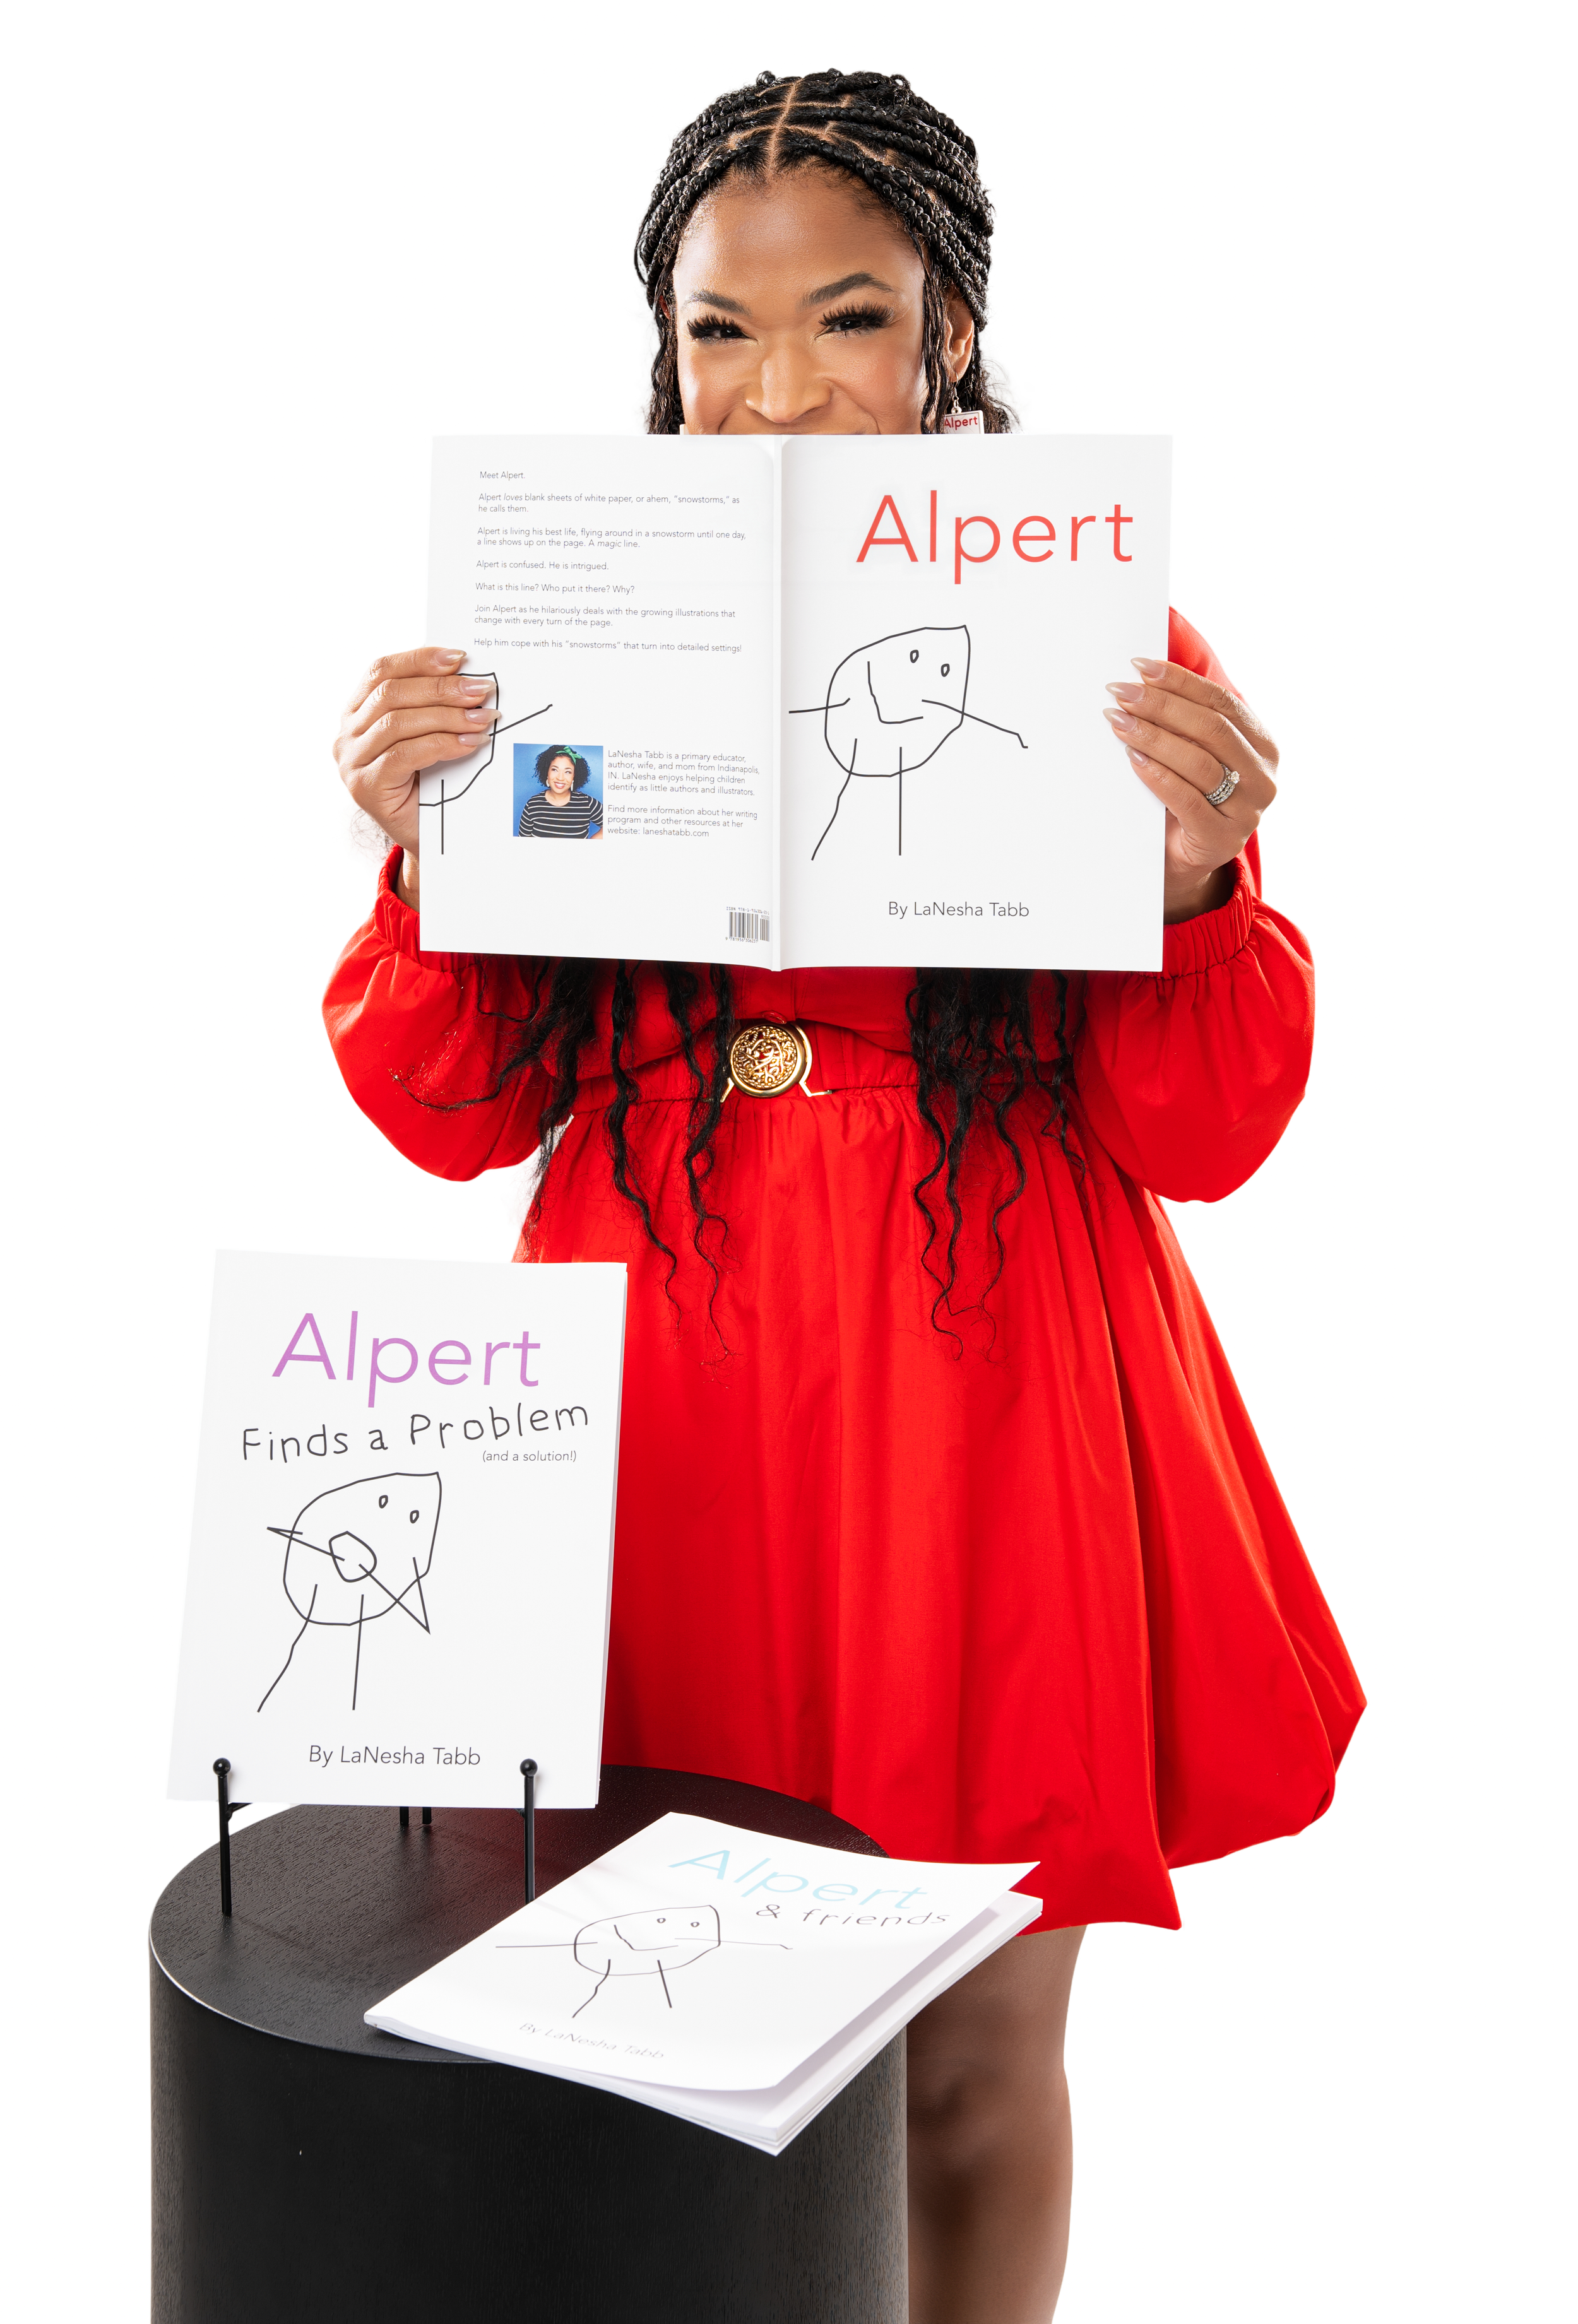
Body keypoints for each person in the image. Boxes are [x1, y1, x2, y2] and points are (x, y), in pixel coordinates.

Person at [327, 69, 1363, 2324]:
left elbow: (1196, 1133)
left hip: (973, 1377)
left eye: (848, 319)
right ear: (663, 345)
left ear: (954, 333)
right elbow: (448, 1108)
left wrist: (1195, 885)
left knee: (972, 2048)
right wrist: (424, 851)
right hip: (660, 1367)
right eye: (720, 332)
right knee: (649, 2021)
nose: (776, 390)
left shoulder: (1110, 647)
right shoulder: (557, 627)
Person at [518, 743, 602, 838]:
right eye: (555, 770)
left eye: (568, 772)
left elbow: (613, 822)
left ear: (574, 776)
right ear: (547, 772)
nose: (560, 778)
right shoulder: (532, 805)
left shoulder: (587, 803)